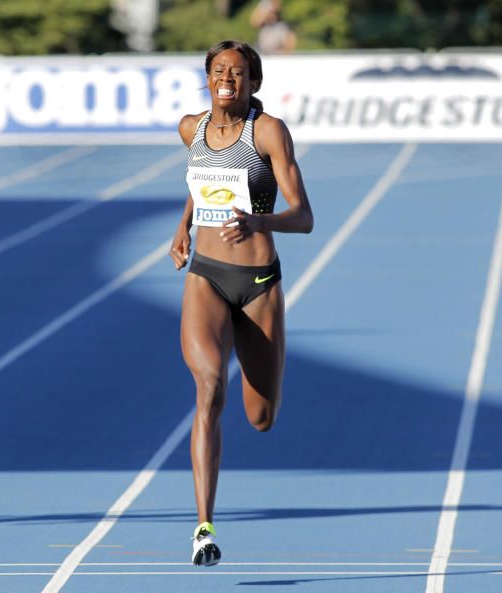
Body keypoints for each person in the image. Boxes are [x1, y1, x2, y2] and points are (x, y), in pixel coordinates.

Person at [169, 40, 313, 565]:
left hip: (258, 282)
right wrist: (183, 228)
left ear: (253, 82)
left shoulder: (268, 131)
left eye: (238, 70)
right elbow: (199, 181)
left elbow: (304, 215)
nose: (226, 76)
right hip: (205, 275)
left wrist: (259, 220)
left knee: (260, 417)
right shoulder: (191, 128)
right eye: (218, 69)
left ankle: (266, 387)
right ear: (207, 78)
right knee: (208, 388)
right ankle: (204, 526)